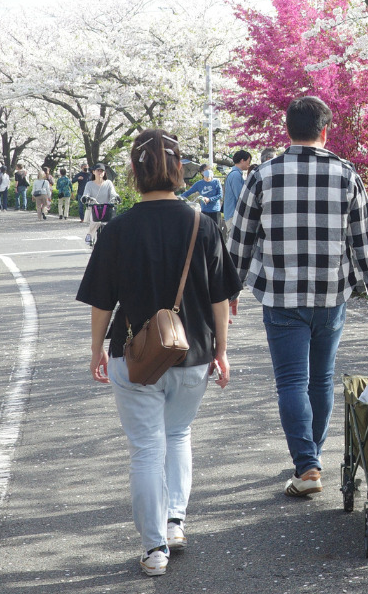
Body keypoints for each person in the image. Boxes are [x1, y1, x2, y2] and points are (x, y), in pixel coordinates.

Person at [77, 128, 240, 578]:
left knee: (146, 449)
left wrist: (95, 350)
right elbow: (220, 300)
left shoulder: (118, 228)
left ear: (134, 172)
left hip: (134, 356)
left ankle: (153, 550)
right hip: (193, 354)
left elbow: (101, 301)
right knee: (178, 434)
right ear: (178, 171)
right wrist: (221, 350)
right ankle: (174, 523)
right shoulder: (202, 224)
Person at [227, 96, 368, 497]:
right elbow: (365, 243)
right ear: (325, 131)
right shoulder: (345, 174)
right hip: (330, 296)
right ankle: (311, 460)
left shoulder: (263, 175)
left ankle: (307, 465)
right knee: (320, 380)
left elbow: (240, 241)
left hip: (281, 297)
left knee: (291, 382)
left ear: (287, 131)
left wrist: (228, 288)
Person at [82, 164, 119, 247]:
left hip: (106, 208)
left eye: (101, 171)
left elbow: (113, 193)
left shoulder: (108, 183)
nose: (100, 173)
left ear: (104, 173)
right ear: (93, 172)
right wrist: (86, 198)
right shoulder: (89, 184)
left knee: (111, 224)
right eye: (98, 171)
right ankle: (90, 235)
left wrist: (116, 197)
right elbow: (86, 193)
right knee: (94, 221)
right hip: (94, 207)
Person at [222, 150, 251, 226]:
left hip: (231, 214)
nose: (249, 164)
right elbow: (240, 196)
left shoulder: (234, 174)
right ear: (242, 161)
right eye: (248, 161)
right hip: (233, 215)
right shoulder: (236, 175)